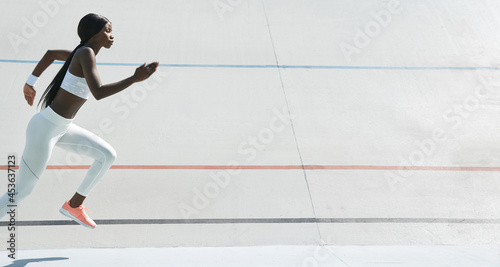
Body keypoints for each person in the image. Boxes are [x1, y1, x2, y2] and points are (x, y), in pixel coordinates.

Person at [0, 13, 159, 229]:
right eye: (107, 31)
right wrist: (134, 79)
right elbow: (99, 93)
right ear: (94, 34)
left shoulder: (81, 53)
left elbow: (50, 54)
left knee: (107, 155)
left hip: (62, 128)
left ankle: (74, 205)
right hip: (45, 129)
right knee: (22, 191)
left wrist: (30, 83)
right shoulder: (85, 54)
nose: (112, 36)